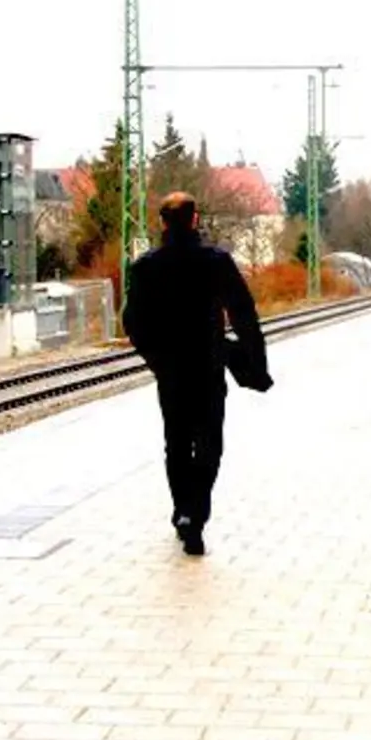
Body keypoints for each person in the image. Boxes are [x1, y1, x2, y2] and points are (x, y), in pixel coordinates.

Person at [124, 192, 270, 556]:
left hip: (170, 372)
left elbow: (134, 323)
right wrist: (256, 365)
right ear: (195, 219)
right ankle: (195, 514)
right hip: (208, 367)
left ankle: (182, 510)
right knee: (209, 445)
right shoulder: (216, 262)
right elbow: (243, 314)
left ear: (161, 223)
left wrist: (155, 359)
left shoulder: (145, 267)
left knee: (175, 442)